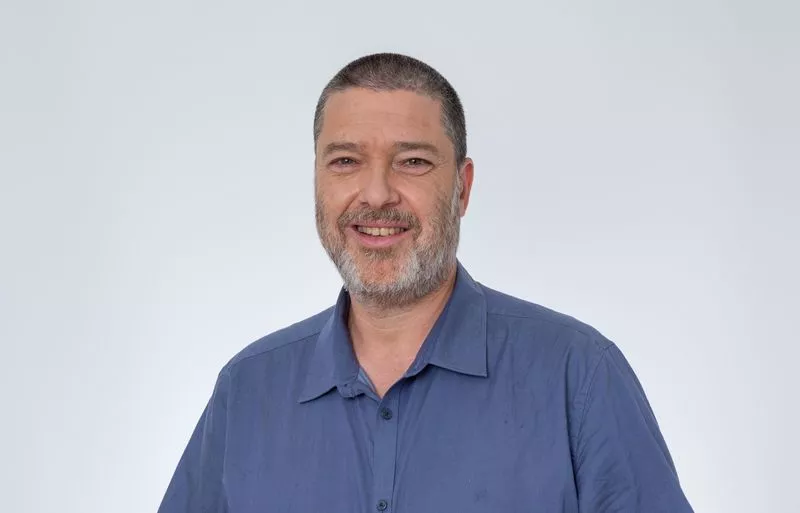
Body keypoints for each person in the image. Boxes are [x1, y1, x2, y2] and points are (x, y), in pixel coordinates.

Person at [158, 53, 694, 513]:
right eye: (345, 161)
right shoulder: (247, 391)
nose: (376, 193)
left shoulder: (577, 376)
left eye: (412, 161)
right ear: (317, 180)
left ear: (462, 188)